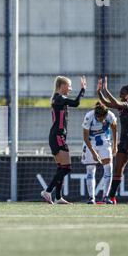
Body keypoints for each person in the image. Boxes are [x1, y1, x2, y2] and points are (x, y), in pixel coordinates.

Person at [97, 77, 128, 204]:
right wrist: (99, 92)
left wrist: (106, 90)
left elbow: (116, 102)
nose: (120, 95)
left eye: (122, 93)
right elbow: (107, 103)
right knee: (118, 169)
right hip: (123, 141)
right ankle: (111, 197)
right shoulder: (123, 105)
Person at [41, 76, 87, 204]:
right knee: (66, 167)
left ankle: (58, 197)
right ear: (61, 86)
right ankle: (48, 191)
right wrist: (82, 90)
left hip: (57, 136)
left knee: (61, 167)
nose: (71, 89)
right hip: (57, 136)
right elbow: (76, 103)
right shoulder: (59, 98)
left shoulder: (58, 99)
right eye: (69, 86)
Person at [81, 102, 117, 204]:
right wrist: (93, 153)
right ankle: (91, 198)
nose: (101, 120)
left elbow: (114, 129)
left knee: (108, 168)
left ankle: (106, 196)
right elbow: (85, 137)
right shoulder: (89, 116)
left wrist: (115, 145)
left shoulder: (110, 115)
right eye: (99, 118)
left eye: (103, 118)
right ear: (96, 115)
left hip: (104, 142)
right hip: (90, 143)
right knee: (90, 170)